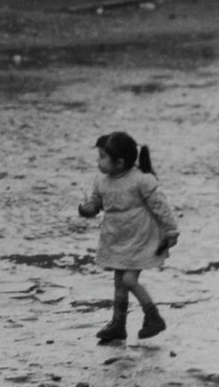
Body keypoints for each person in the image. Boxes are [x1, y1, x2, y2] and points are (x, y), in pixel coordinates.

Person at [77, 131, 179, 342]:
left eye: (103, 157)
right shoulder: (101, 181)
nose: (98, 162)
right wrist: (87, 209)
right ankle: (118, 324)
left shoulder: (141, 181)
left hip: (139, 237)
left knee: (129, 279)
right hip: (117, 238)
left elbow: (160, 206)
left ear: (120, 162)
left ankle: (153, 316)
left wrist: (170, 231)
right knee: (119, 282)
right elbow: (96, 204)